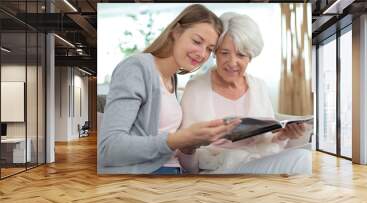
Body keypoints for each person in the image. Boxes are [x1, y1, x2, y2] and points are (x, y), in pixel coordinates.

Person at [98, 4, 240, 174]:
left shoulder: (172, 78)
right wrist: (179, 138)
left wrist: (189, 146)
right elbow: (108, 149)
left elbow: (174, 154)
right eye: (197, 41)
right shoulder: (136, 68)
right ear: (176, 31)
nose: (202, 54)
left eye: (209, 49)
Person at [177, 12, 312, 174]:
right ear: (215, 53)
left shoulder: (259, 87)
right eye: (224, 53)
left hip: (255, 164)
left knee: (308, 153)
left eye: (241, 54)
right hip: (217, 170)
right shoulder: (196, 88)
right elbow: (186, 160)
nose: (232, 62)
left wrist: (284, 135)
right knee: (302, 158)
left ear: (251, 57)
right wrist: (189, 147)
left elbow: (267, 143)